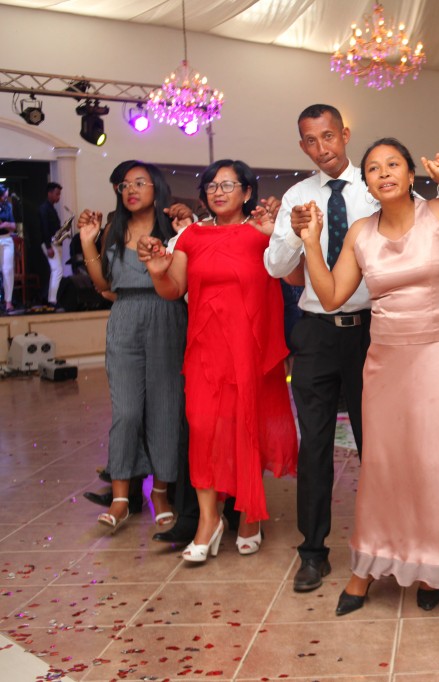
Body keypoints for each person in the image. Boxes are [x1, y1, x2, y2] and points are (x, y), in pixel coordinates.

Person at [295, 138, 439, 615]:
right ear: (367, 183)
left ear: (412, 175)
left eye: (394, 165)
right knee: (384, 466)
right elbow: (331, 296)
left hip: (438, 356)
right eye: (373, 168)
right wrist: (311, 244)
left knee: (435, 463)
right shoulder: (360, 233)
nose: (384, 172)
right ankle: (368, 566)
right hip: (386, 359)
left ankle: (433, 563)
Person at [139, 159, 297, 563]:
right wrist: (159, 272)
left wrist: (278, 232)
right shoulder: (191, 235)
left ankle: (248, 513)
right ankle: (209, 521)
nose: (219, 191)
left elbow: (291, 275)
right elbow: (173, 288)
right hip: (205, 350)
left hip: (251, 350)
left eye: (229, 184)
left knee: (248, 426)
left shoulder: (262, 233)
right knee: (205, 429)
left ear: (247, 192)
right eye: (211, 185)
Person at [263, 104, 377, 593]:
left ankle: (382, 545)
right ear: (302, 146)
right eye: (310, 141)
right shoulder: (298, 195)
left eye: (328, 137)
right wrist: (292, 230)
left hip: (372, 330)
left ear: (345, 134)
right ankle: (313, 552)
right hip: (314, 331)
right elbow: (275, 267)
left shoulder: (375, 189)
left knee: (378, 444)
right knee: (315, 446)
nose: (321, 149)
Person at [76, 162, 187, 533]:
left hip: (167, 314)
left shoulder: (173, 225)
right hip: (124, 315)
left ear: (157, 187)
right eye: (124, 185)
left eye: (140, 182)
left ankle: (160, 493)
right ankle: (121, 496)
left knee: (165, 408)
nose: (131, 189)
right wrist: (88, 241)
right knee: (125, 411)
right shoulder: (113, 228)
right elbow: (103, 284)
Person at [38, 182, 64, 308]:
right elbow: (44, 228)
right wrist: (48, 246)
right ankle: (52, 299)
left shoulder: (51, 208)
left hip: (55, 242)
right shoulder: (44, 209)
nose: (58, 197)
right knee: (57, 270)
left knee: (57, 270)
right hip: (50, 243)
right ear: (49, 193)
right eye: (57, 194)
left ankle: (51, 297)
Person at [0, 186, 15, 313]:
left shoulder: (8, 206)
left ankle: (8, 301)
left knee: (7, 270)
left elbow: (14, 226)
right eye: (4, 195)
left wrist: (6, 224)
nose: (5, 198)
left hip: (7, 239)